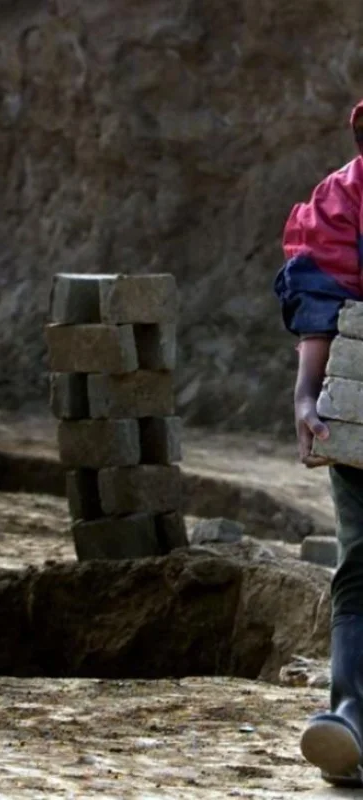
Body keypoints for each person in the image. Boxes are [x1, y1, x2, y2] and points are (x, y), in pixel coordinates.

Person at [274, 100, 363, 788]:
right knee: (361, 560)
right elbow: (324, 295)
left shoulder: (347, 193)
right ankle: (350, 716)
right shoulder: (346, 196)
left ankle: (353, 713)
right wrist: (310, 398)